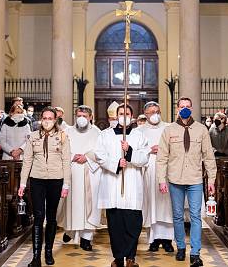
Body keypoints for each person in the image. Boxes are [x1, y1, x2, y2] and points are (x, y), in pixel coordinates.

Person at [156, 97, 216, 267]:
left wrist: (211, 179)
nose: (184, 109)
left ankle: (195, 253)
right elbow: (162, 158)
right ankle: (181, 247)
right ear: (177, 109)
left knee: (196, 216)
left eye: (187, 107)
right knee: (177, 216)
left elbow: (209, 157)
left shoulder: (201, 130)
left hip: (195, 179)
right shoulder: (169, 131)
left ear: (192, 108)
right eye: (182, 107)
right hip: (175, 179)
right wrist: (162, 180)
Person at [95, 103, 150, 267]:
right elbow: (99, 155)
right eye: (121, 113)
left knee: (133, 225)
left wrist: (130, 151)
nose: (123, 115)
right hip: (113, 185)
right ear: (116, 115)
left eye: (127, 113)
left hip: (132, 185)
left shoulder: (139, 136)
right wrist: (116, 163)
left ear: (132, 116)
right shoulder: (105, 135)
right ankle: (118, 258)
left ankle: (131, 257)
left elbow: (145, 158)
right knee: (116, 226)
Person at [19, 107, 71, 267]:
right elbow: (27, 160)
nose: (47, 120)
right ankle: (36, 257)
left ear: (55, 120)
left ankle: (48, 252)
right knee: (38, 217)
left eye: (50, 118)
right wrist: (22, 183)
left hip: (56, 180)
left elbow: (66, 161)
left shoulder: (62, 136)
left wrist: (66, 184)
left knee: (51, 217)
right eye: (45, 117)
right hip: (37, 180)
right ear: (41, 119)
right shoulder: (33, 136)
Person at [58, 105, 102, 251]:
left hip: (90, 173)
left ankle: (86, 238)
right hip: (71, 172)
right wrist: (72, 157)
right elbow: (59, 149)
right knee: (72, 204)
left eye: (84, 116)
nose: (81, 118)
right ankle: (70, 230)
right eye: (79, 115)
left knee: (89, 205)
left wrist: (87, 157)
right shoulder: (66, 132)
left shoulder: (97, 133)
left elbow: (102, 151)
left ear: (90, 117)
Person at [137, 101, 174, 253]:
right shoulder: (139, 131)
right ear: (146, 115)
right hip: (148, 171)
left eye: (157, 111)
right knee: (151, 204)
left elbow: (176, 147)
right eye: (151, 112)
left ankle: (167, 240)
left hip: (166, 169)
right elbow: (136, 150)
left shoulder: (169, 128)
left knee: (167, 205)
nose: (155, 115)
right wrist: (148, 150)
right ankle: (153, 240)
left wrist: (164, 149)